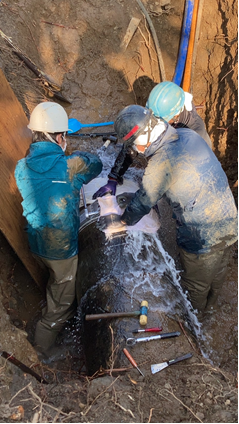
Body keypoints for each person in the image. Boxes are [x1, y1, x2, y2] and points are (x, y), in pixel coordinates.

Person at [99, 105, 238, 315]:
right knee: (217, 274)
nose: (136, 151)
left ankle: (197, 323)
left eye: (134, 145)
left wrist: (122, 221)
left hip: (201, 235)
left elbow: (142, 202)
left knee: (196, 287)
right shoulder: (188, 134)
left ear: (144, 137)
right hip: (230, 219)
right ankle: (212, 308)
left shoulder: (161, 163)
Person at [15, 102, 103, 356]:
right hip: (60, 248)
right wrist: (74, 156)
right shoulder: (70, 166)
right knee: (60, 305)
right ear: (60, 137)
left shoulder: (21, 167)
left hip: (34, 242)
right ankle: (39, 352)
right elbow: (95, 164)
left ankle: (52, 292)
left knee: (53, 280)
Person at [93, 81, 212, 199]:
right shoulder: (160, 109)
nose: (155, 121)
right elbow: (133, 141)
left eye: (158, 119)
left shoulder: (195, 134)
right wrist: (114, 177)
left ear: (175, 116)